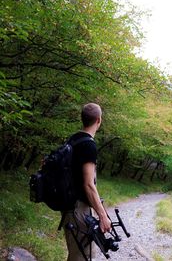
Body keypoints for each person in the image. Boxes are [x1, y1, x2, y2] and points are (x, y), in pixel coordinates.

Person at [63, 103, 112, 261]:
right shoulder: (88, 145)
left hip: (68, 206)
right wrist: (103, 216)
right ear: (99, 120)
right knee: (81, 256)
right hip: (78, 208)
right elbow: (89, 184)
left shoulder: (73, 139)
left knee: (79, 252)